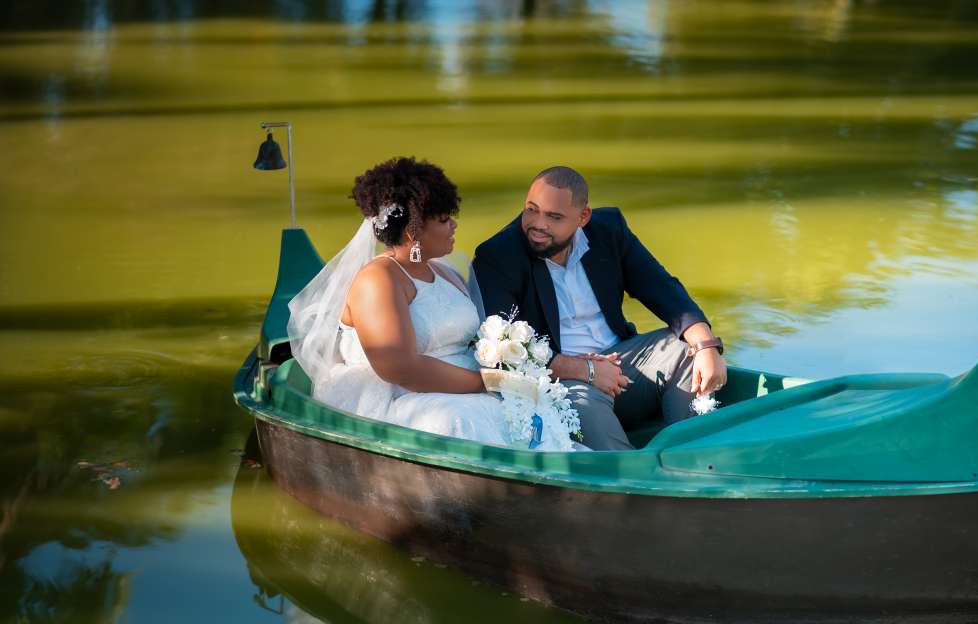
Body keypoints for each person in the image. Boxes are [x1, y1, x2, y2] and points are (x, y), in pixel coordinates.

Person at [286, 157, 578, 450]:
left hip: (463, 383)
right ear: (413, 232)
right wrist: (487, 382)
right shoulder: (379, 280)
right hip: (404, 395)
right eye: (443, 220)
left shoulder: (443, 271)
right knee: (457, 419)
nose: (454, 224)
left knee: (536, 405)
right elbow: (400, 369)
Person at [471, 166, 728, 450]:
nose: (538, 225)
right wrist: (588, 371)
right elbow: (506, 352)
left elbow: (662, 288)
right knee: (583, 404)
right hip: (562, 381)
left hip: (624, 364)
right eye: (531, 210)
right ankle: (636, 480)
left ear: (583, 217)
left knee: (686, 349)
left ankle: (688, 458)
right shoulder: (498, 256)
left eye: (554, 217)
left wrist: (706, 344)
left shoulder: (609, 230)